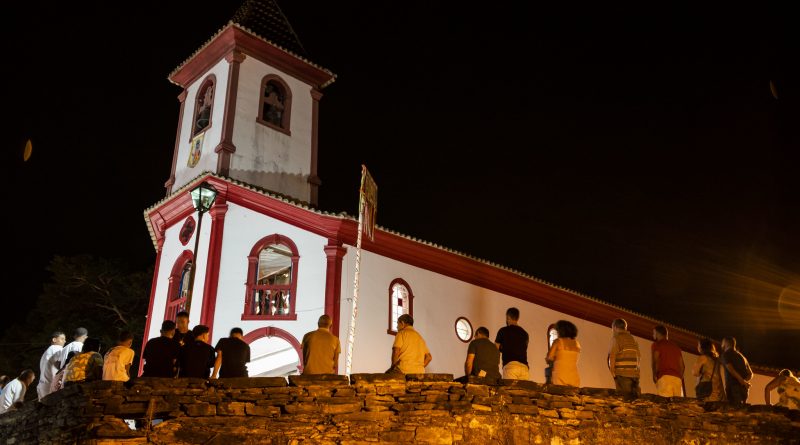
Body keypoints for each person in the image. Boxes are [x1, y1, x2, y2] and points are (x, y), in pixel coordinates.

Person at [607, 318, 640, 397]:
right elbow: (638, 357)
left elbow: (612, 356)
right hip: (634, 376)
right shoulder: (633, 339)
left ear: (614, 327)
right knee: (633, 401)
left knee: (623, 400)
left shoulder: (617, 338)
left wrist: (613, 373)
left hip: (622, 375)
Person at [494, 307, 529, 380]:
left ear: (508, 317)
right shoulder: (525, 334)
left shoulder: (503, 330)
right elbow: (523, 347)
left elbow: (496, 348)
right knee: (523, 391)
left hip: (511, 366)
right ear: (517, 318)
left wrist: (502, 348)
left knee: (510, 391)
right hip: (524, 368)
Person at [651, 325, 684, 397]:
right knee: (676, 406)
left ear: (657, 333)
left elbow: (655, 361)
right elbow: (682, 366)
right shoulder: (676, 347)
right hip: (677, 379)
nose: (653, 335)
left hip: (664, 377)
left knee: (665, 405)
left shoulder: (657, 344)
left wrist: (654, 375)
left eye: (653, 333)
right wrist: (679, 377)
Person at [546, 320, 581, 386]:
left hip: (560, 375)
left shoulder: (558, 342)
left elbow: (549, 358)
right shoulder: (577, 344)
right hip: (573, 376)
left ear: (561, 331)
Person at [720, 336, 752, 405]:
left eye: (722, 342)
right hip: (744, 389)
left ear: (725, 343)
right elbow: (751, 373)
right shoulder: (742, 356)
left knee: (734, 410)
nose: (721, 344)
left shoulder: (726, 355)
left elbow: (731, 369)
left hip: (733, 388)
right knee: (743, 410)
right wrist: (744, 381)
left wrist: (741, 381)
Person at [37, 330, 66, 400]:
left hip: (42, 384)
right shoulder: (57, 348)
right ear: (54, 340)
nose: (64, 341)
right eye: (62, 339)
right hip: (50, 385)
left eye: (65, 339)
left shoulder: (47, 351)